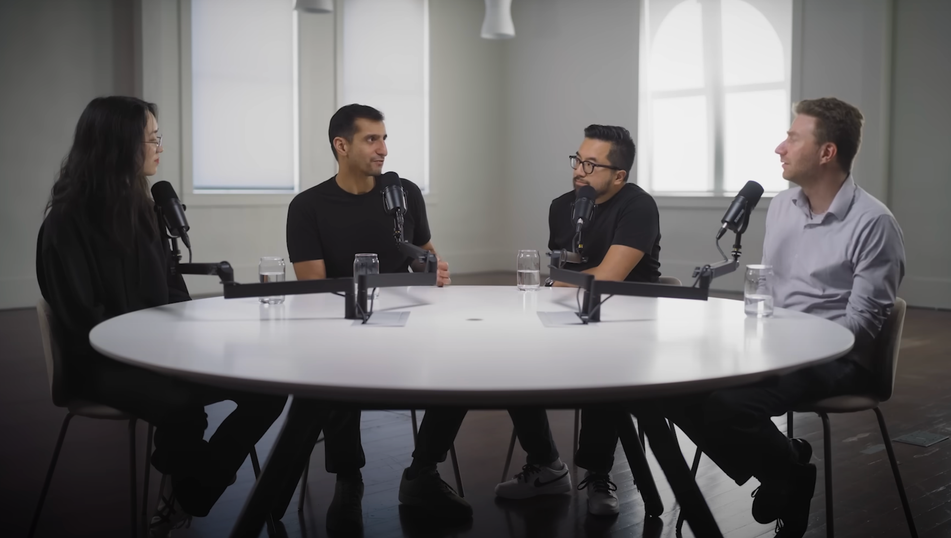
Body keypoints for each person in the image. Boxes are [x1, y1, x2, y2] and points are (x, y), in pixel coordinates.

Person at [35, 96, 287, 536]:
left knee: (268, 390)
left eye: (158, 137)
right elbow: (84, 320)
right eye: (152, 139)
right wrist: (158, 349)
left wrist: (200, 335)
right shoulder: (65, 223)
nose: (160, 147)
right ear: (118, 145)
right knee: (182, 408)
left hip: (161, 354)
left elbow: (171, 293)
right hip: (103, 364)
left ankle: (190, 493)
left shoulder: (144, 210)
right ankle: (189, 494)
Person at [667, 97, 905, 538]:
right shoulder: (781, 206)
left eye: (793, 138)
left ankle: (785, 473)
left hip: (840, 359)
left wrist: (787, 346)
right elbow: (769, 292)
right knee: (673, 388)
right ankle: (787, 468)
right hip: (776, 347)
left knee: (730, 406)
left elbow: (862, 327)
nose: (780, 147)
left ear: (826, 152)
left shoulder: (874, 223)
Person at [286, 104, 470, 534]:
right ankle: (348, 480)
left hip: (409, 325)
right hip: (343, 328)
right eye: (372, 139)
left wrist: (432, 269)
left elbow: (426, 256)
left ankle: (422, 471)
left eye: (385, 139)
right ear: (341, 145)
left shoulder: (403, 194)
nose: (383, 149)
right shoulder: (308, 207)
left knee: (465, 364)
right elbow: (313, 290)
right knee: (336, 362)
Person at [494, 125, 662, 517]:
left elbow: (608, 277)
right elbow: (562, 272)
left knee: (603, 357)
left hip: (627, 325)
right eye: (577, 160)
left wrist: (558, 282)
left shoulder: (638, 206)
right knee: (506, 356)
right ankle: (546, 464)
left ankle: (598, 473)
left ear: (619, 175)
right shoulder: (561, 207)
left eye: (591, 164)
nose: (578, 171)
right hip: (571, 315)